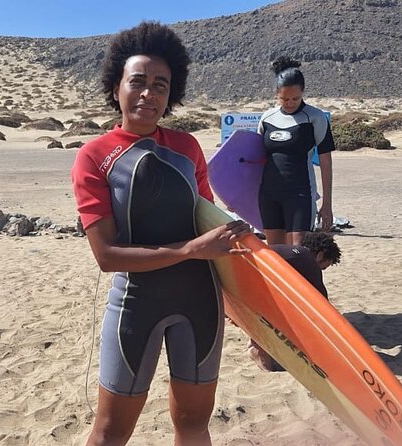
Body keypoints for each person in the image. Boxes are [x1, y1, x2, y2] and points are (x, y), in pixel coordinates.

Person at [70, 22, 251, 446]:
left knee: (193, 427)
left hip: (201, 304)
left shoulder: (187, 146)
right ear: (117, 87)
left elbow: (208, 222)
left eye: (160, 85)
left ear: (172, 94)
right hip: (136, 305)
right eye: (138, 82)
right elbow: (107, 256)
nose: (148, 93)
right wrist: (191, 249)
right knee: (111, 432)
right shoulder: (93, 157)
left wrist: (254, 316)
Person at [257, 56, 335, 245]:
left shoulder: (315, 118)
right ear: (276, 93)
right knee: (276, 257)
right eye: (284, 98)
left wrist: (327, 204)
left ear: (303, 92)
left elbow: (326, 163)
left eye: (295, 98)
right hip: (268, 196)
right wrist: (236, 195)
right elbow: (255, 160)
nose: (290, 103)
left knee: (299, 253)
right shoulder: (267, 118)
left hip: (300, 194)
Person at [247, 232, 342, 371]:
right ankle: (258, 349)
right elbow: (323, 306)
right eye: (323, 267)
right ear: (320, 255)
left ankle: (255, 344)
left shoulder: (292, 254)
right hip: (251, 283)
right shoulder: (308, 261)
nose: (321, 270)